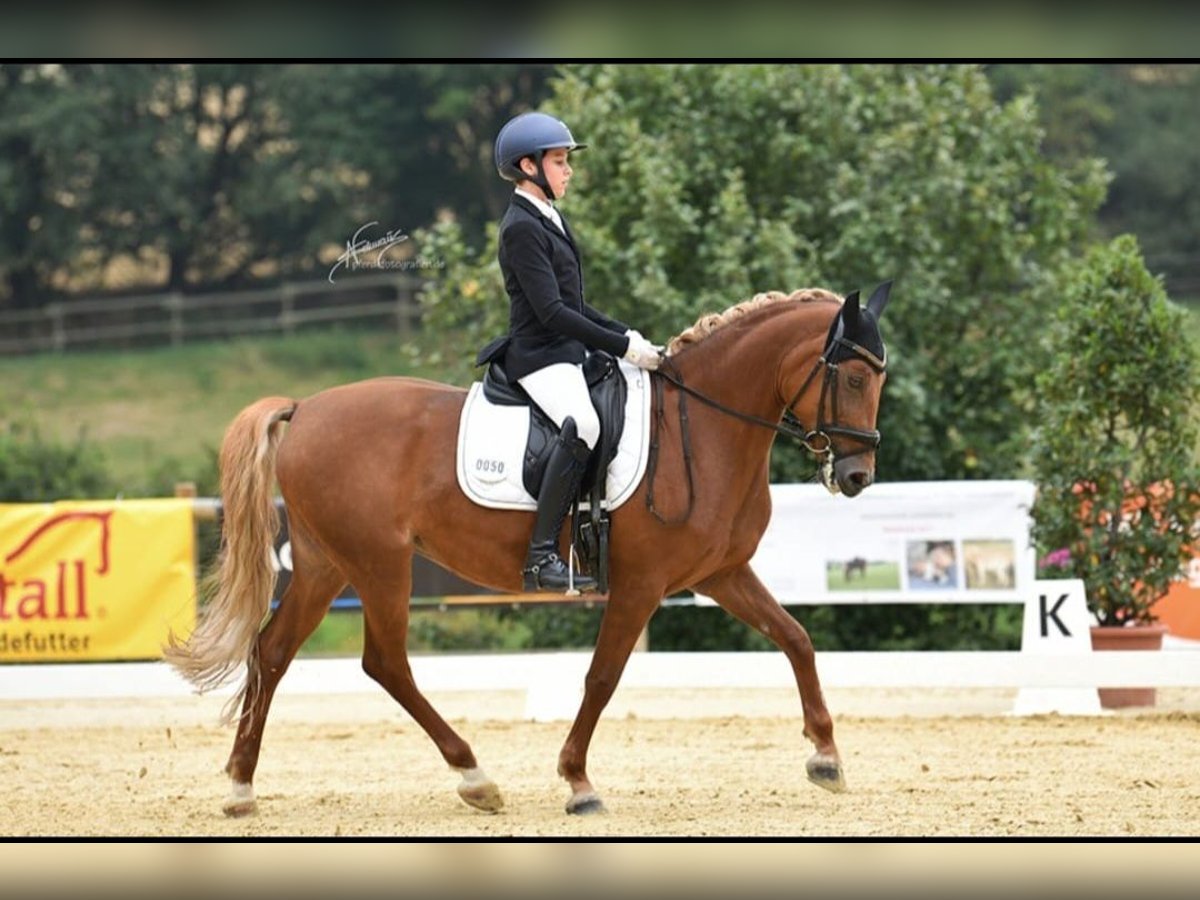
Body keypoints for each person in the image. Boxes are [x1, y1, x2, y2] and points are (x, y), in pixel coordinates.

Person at [490, 110, 662, 593]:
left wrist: (631, 336)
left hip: (565, 350)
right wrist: (621, 346)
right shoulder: (520, 227)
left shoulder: (547, 216)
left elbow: (577, 305)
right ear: (530, 167)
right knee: (583, 424)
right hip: (539, 354)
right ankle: (540, 555)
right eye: (561, 162)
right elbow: (552, 313)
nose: (569, 171)